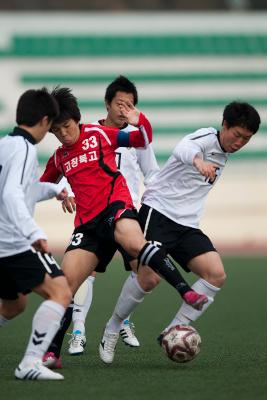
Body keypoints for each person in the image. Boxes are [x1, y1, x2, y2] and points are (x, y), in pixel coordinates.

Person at [39, 86, 208, 366]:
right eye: (56, 131)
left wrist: (139, 120)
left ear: (77, 121)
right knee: (64, 287)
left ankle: (185, 290)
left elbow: (142, 140)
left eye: (66, 127)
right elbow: (43, 184)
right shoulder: (59, 157)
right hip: (87, 226)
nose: (63, 134)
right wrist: (59, 193)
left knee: (134, 244)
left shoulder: (98, 134)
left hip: (115, 207)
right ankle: (52, 352)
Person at [104, 100, 260, 356]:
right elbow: (183, 148)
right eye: (237, 134)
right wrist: (199, 162)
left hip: (187, 224)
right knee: (149, 278)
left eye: (246, 139)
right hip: (159, 212)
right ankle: (112, 327)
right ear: (225, 125)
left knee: (216, 274)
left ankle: (175, 328)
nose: (240, 142)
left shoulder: (226, 152)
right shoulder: (206, 137)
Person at [64, 76, 160, 356]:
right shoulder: (88, 133)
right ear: (107, 104)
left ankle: (122, 322)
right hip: (93, 214)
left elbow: (152, 173)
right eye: (119, 103)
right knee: (85, 273)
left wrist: (151, 199)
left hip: (126, 213)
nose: (124, 109)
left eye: (130, 105)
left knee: (142, 271)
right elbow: (68, 162)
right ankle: (78, 331)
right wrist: (63, 191)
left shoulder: (137, 138)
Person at [0, 88, 72, 380]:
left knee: (15, 304)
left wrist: (55, 189)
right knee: (61, 291)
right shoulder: (27, 149)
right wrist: (33, 232)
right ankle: (30, 363)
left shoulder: (5, 144)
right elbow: (12, 194)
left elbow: (23, 191)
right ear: (44, 120)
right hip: (13, 244)